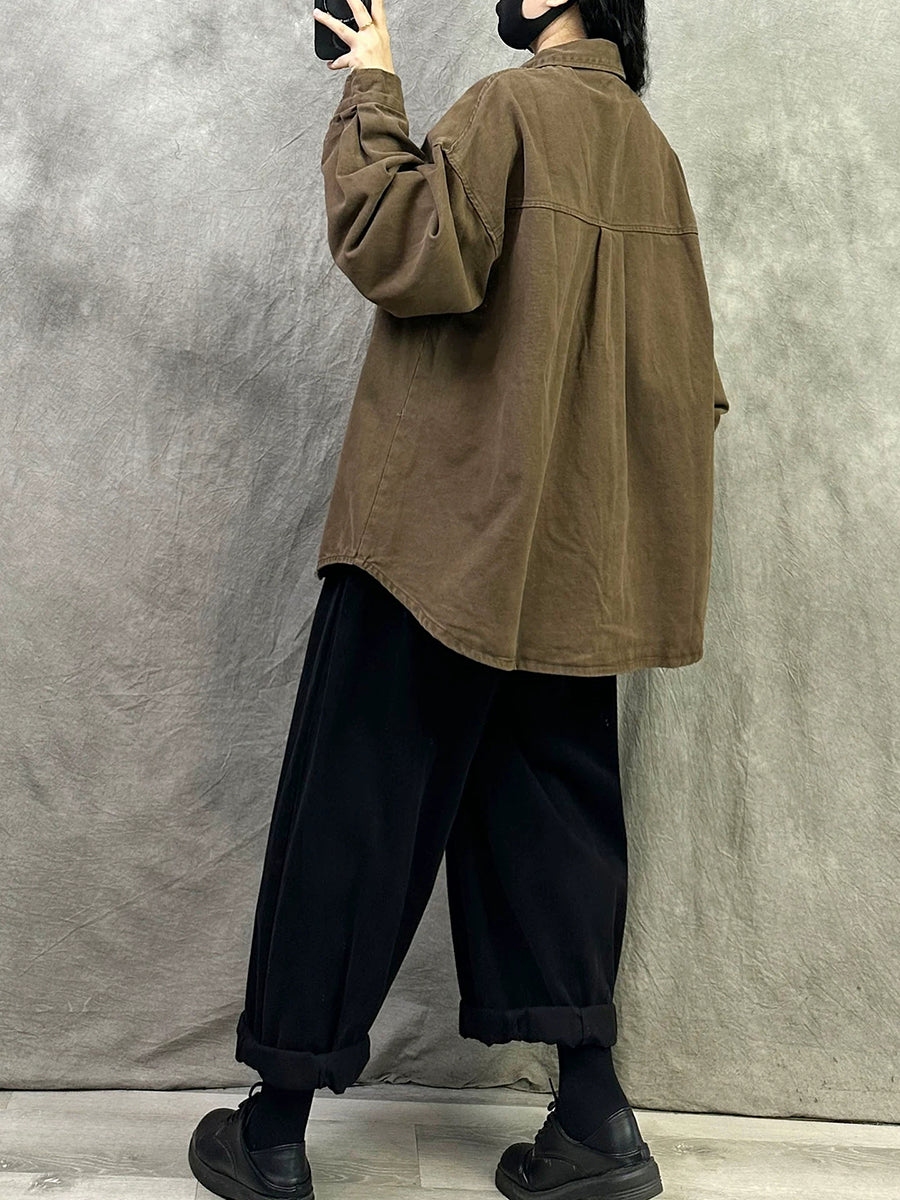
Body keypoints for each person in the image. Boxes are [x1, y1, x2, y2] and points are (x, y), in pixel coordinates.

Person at [188, 0, 729, 1197]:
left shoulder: (509, 108)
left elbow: (403, 252)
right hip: (573, 556)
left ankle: (273, 1131)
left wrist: (371, 86)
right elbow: (684, 376)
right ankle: (596, 1123)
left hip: (440, 537)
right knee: (554, 819)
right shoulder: (652, 152)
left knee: (356, 807)